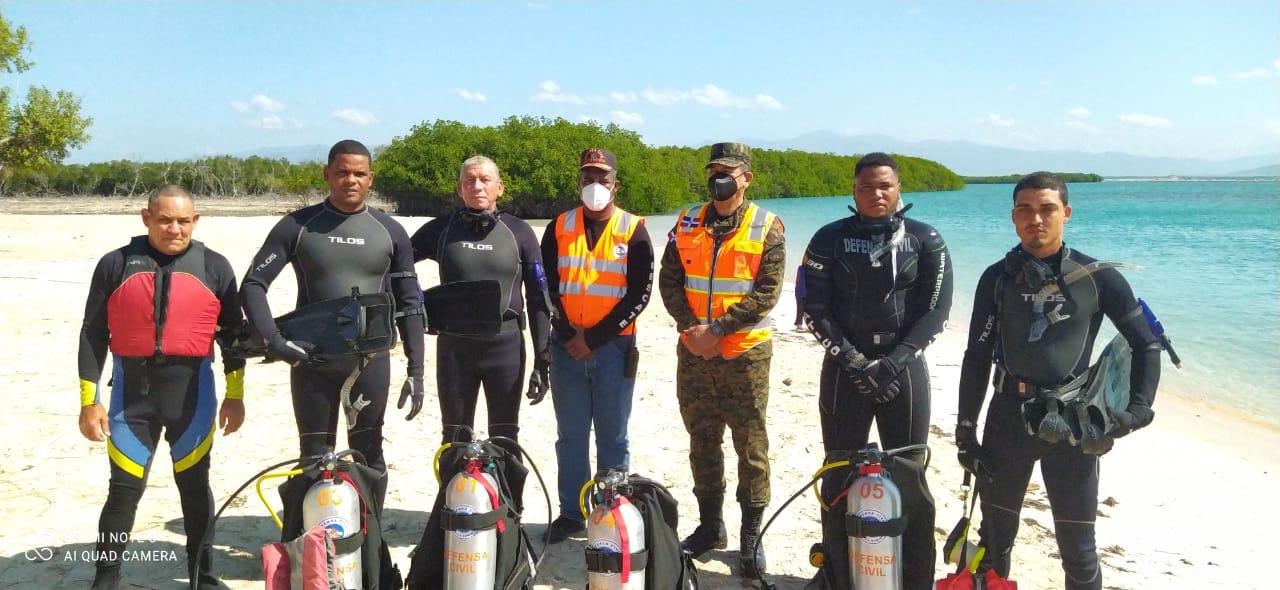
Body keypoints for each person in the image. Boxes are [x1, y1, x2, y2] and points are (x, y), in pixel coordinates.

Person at [956, 172, 1161, 590]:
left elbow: (1147, 345)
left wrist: (1138, 411)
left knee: (1078, 548)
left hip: (1072, 423)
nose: (1037, 219)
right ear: (1013, 217)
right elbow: (976, 356)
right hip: (1007, 419)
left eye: (1047, 209)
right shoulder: (997, 279)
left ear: (1065, 213)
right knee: (993, 542)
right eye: (1025, 210)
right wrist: (964, 429)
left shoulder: (1098, 277)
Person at [78, 186, 246, 590]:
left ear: (196, 221)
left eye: (183, 220)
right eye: (165, 219)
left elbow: (235, 338)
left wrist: (235, 395)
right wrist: (90, 401)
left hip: (194, 396)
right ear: (146, 217)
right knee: (123, 491)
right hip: (131, 398)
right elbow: (93, 334)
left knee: (194, 487)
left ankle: (200, 577)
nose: (175, 228)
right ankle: (105, 579)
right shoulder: (115, 265)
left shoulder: (215, 267)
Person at [240, 140, 425, 500]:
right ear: (327, 174)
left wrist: (416, 370)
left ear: (371, 178)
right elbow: (252, 285)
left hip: (370, 361)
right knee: (313, 458)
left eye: (359, 173)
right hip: (312, 360)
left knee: (368, 455)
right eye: (341, 172)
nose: (350, 180)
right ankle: (310, 546)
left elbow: (410, 303)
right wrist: (275, 341)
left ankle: (369, 551)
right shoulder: (297, 226)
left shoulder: (390, 231)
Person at [802, 152, 952, 588]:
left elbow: (937, 311)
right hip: (844, 371)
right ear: (853, 190)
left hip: (902, 371)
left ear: (899, 188)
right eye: (866, 186)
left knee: (911, 480)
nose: (876, 194)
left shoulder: (926, 240)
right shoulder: (828, 239)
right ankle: (834, 571)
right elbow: (815, 308)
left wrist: (894, 362)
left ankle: (915, 576)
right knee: (837, 476)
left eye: (884, 185)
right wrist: (852, 360)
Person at [658, 142, 785, 576]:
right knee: (702, 440)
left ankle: (751, 537)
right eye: (715, 170)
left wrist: (718, 331)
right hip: (694, 354)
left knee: (750, 446)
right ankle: (711, 526)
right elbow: (669, 278)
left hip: (744, 355)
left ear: (746, 177)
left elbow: (767, 292)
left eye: (729, 171)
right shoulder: (688, 220)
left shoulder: (767, 225)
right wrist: (692, 329)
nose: (720, 178)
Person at [539, 148, 654, 543]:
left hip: (614, 349)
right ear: (578, 182)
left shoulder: (633, 229)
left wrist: (595, 338)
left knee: (613, 435)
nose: (594, 186)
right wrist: (570, 335)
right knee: (570, 434)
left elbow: (640, 293)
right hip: (567, 347)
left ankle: (611, 509)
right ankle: (571, 512)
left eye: (602, 178)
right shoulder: (558, 227)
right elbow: (546, 287)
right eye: (587, 177)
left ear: (615, 184)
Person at [410, 155, 551, 445]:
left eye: (485, 180)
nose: (477, 186)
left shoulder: (520, 233)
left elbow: (538, 298)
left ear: (500, 187)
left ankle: (508, 493)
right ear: (459, 189)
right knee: (455, 436)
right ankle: (450, 492)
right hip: (455, 349)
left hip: (506, 347)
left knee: (505, 437)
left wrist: (542, 360)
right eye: (469, 181)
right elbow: (395, 267)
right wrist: (422, 304)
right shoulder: (442, 230)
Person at [793, 264, 808, 331]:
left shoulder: (804, 269)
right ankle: (799, 325)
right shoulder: (801, 268)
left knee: (804, 310)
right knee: (800, 309)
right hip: (800, 292)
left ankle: (799, 324)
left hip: (805, 292)